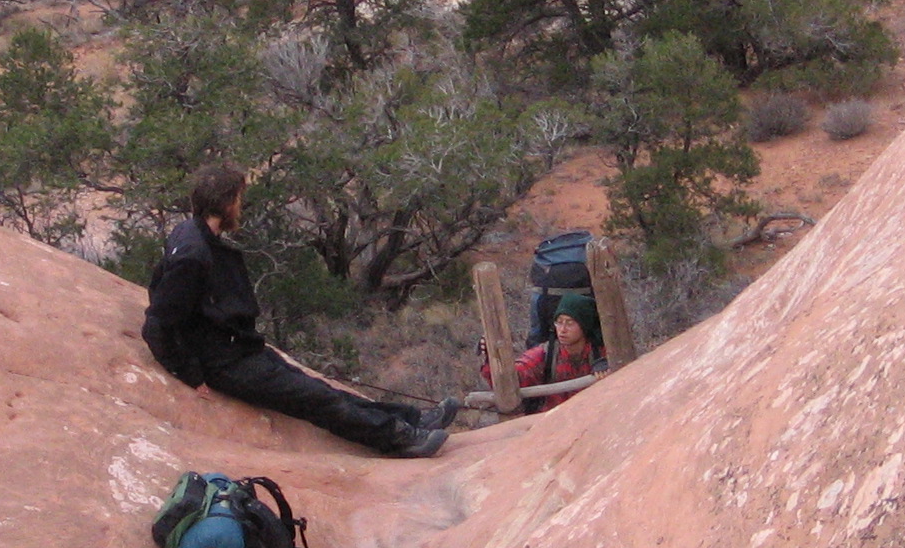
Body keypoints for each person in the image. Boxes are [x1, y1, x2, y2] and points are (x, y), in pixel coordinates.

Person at [143, 165, 458, 459]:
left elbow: (159, 288)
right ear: (227, 203)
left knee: (319, 389)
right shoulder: (194, 255)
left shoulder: (190, 235)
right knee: (317, 400)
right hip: (224, 362)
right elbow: (157, 323)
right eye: (238, 198)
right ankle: (402, 440)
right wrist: (189, 373)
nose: (240, 206)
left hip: (240, 348)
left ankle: (414, 419)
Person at [484, 292, 607, 413]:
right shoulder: (547, 354)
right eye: (559, 322)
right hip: (553, 423)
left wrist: (607, 367)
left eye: (570, 323)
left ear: (584, 326)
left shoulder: (601, 353)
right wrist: (493, 359)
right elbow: (516, 376)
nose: (562, 329)